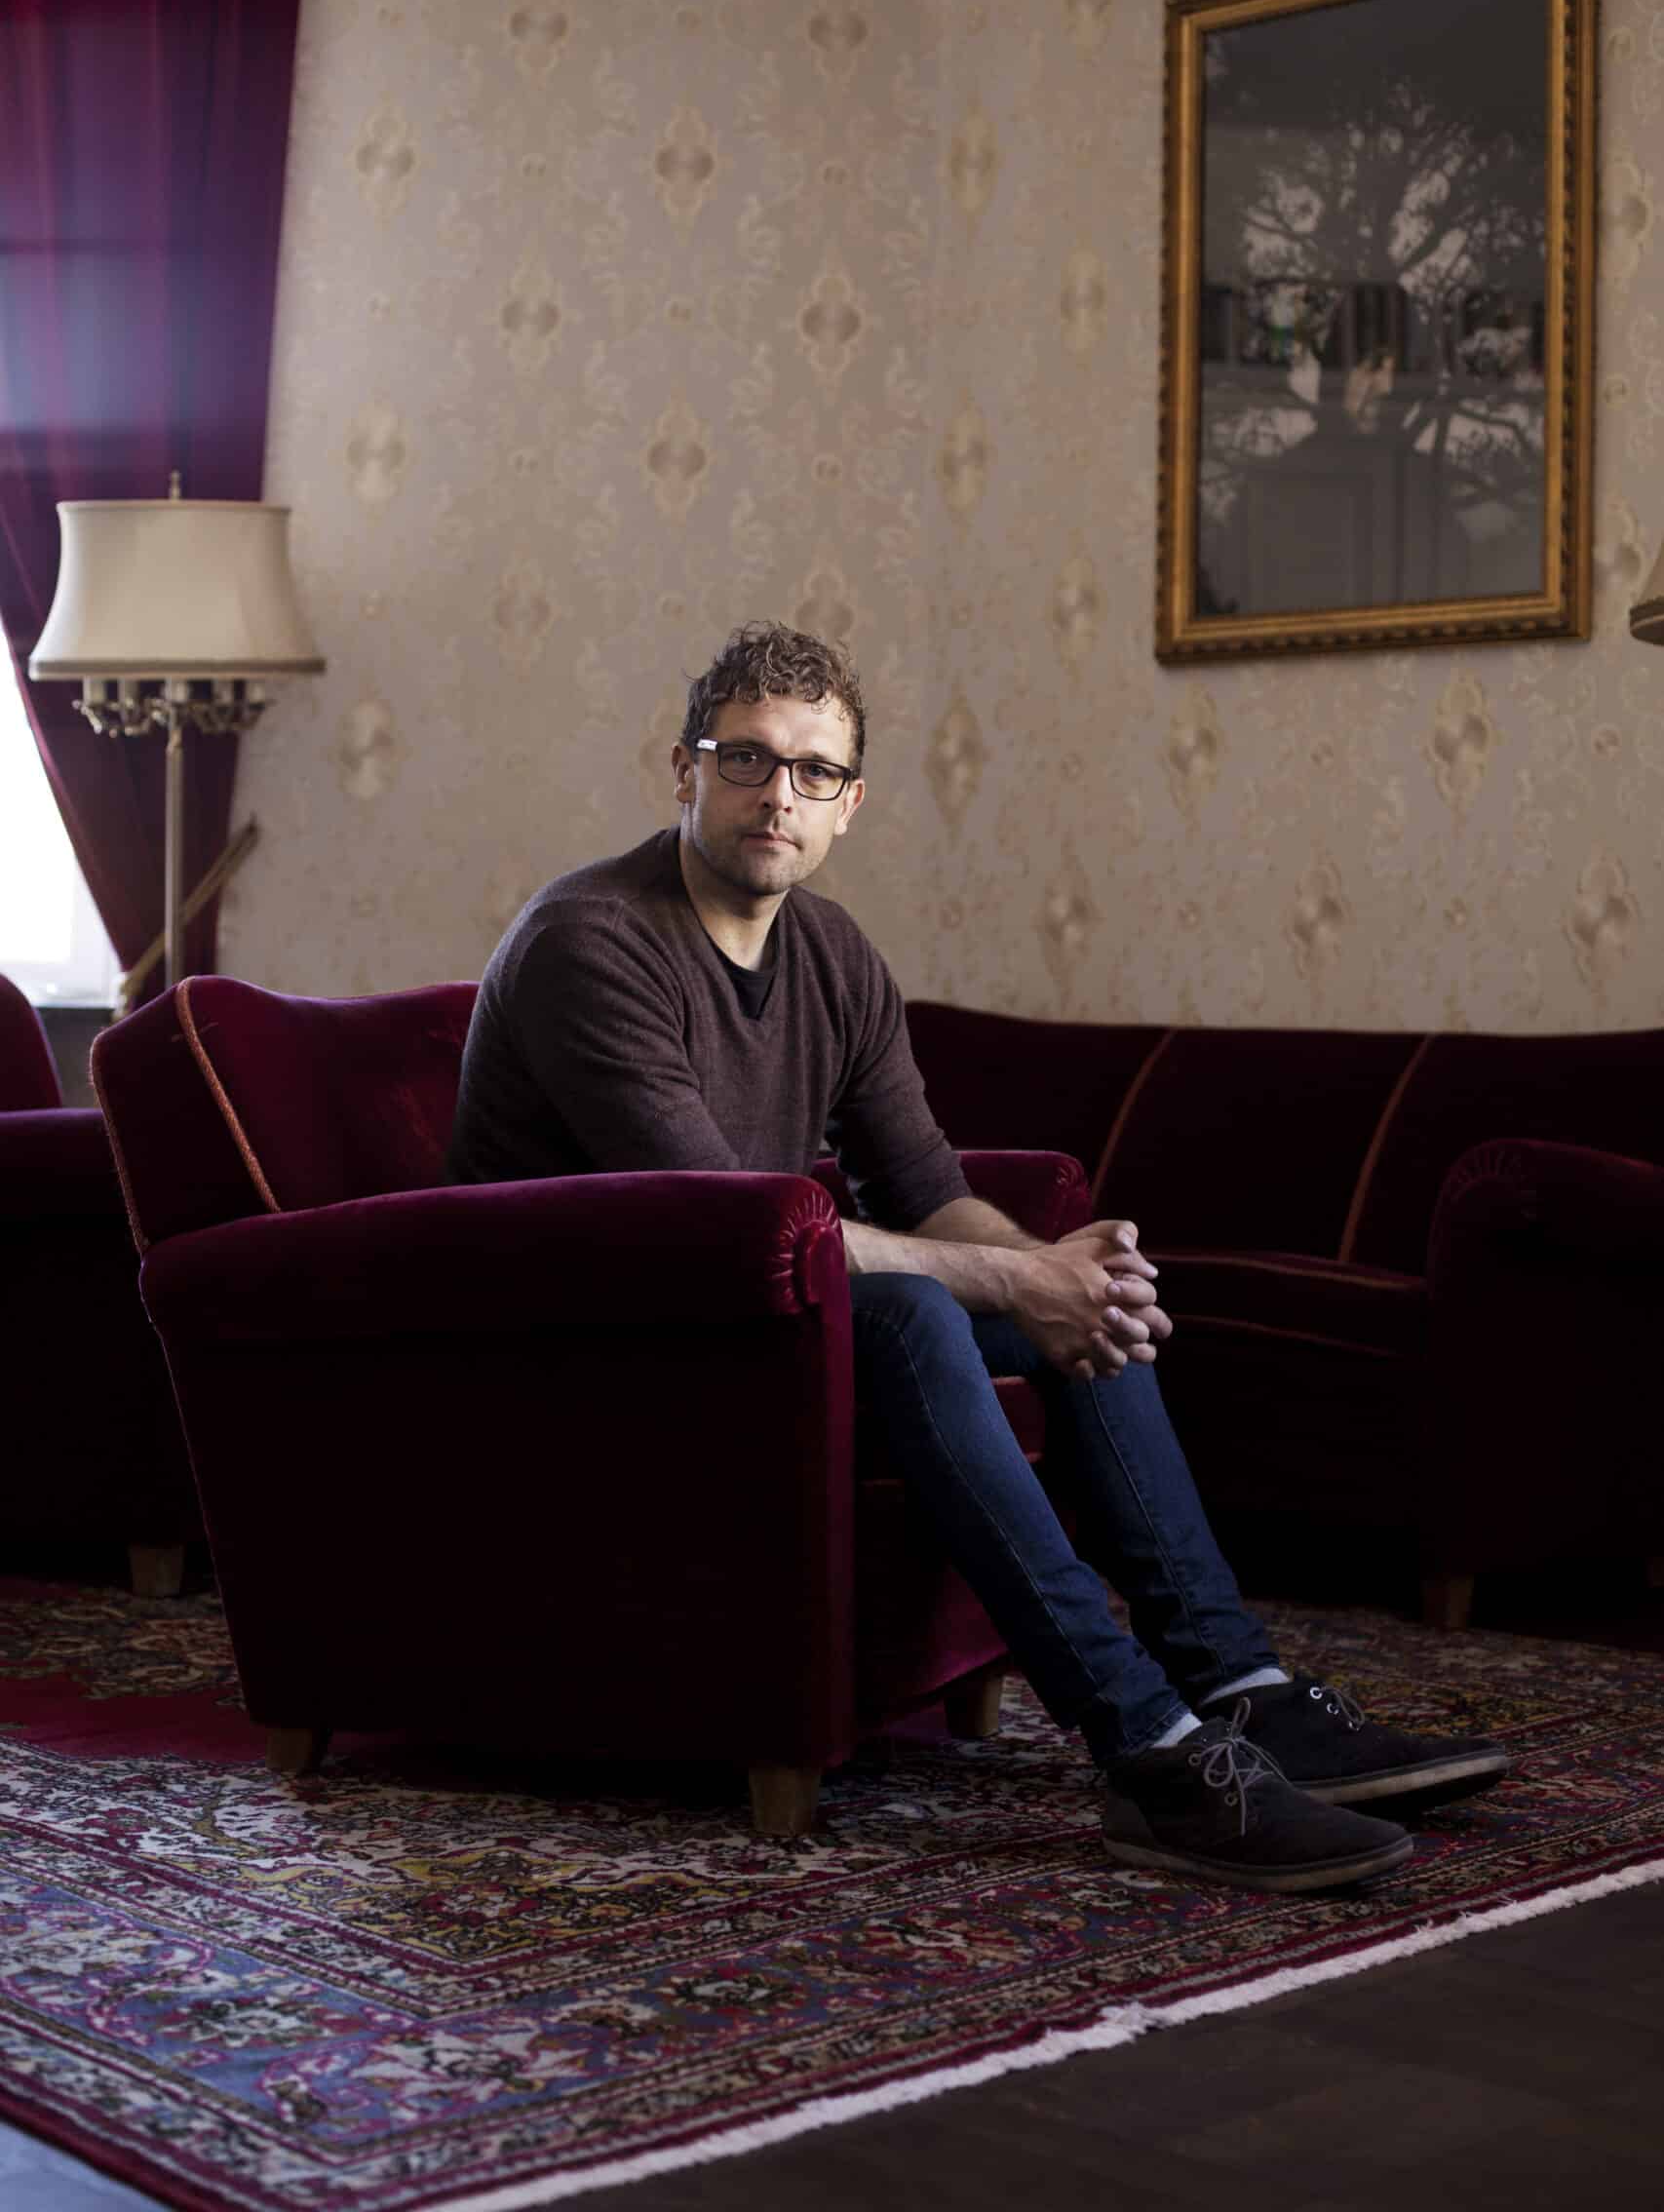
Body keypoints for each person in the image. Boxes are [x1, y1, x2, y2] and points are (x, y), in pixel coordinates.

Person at [448, 621, 1507, 1892]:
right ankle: (1155, 1755)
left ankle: (1243, 1692)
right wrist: (1016, 1279)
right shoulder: (589, 941)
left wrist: (1062, 1278)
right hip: (586, 1349)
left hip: (750, 1318)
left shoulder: (835, 956)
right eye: (745, 759)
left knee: (1075, 1301)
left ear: (849, 801)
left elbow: (926, 1190)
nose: (778, 795)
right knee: (915, 1316)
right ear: (684, 768)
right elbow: (728, 1222)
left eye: (814, 771)